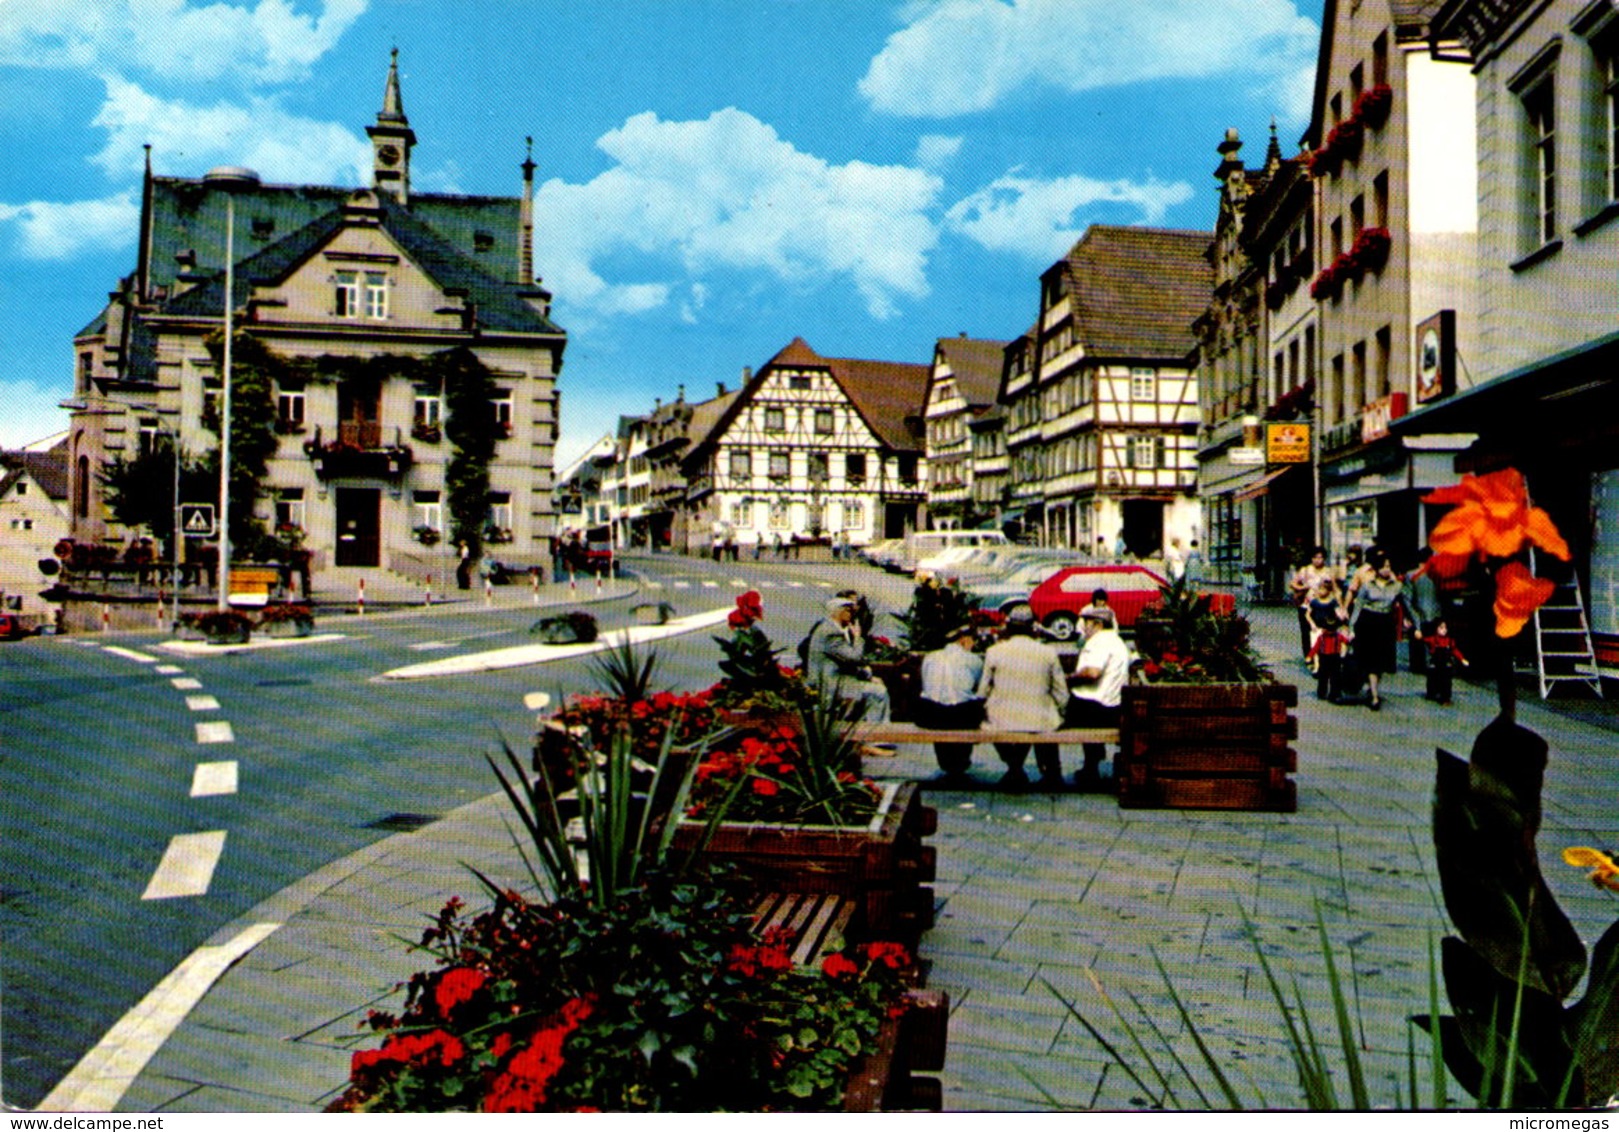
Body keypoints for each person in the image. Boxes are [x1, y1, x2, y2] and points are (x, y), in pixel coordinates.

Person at [979, 603, 1071, 792]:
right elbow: (1061, 692)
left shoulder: (994, 652)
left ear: (1010, 627)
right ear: (1033, 627)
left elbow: (983, 691)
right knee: (1046, 719)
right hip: (1039, 717)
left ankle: (1014, 768)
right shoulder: (1048, 652)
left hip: (1002, 718)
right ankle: (1050, 772)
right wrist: (1062, 712)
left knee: (995, 722)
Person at [1065, 605, 1132, 790]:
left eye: (1086, 622)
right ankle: (1090, 767)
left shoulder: (1099, 641)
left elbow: (1093, 672)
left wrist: (1069, 679)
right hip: (1111, 707)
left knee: (1053, 710)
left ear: (1098, 624)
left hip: (1095, 709)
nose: (1083, 627)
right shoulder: (1117, 641)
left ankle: (1084, 769)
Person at [915, 622, 984, 786]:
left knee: (939, 705)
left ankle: (948, 764)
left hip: (931, 715)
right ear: (964, 640)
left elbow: (926, 685)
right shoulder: (973, 659)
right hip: (960, 716)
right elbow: (979, 686)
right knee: (969, 704)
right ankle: (959, 764)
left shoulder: (930, 657)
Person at [805, 595, 890, 725]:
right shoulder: (830, 634)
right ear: (838, 611)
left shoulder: (832, 629)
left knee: (878, 684)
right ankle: (875, 735)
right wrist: (857, 638)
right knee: (878, 692)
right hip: (829, 684)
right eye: (849, 611)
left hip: (837, 679)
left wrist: (866, 675)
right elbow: (854, 658)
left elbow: (846, 663)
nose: (852, 615)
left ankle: (873, 728)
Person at [1348, 548, 1407, 711]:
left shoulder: (1397, 586)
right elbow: (1358, 606)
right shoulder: (1367, 585)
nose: (1386, 570)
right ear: (1376, 569)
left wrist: (1414, 624)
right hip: (1368, 622)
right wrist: (1351, 627)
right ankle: (1374, 696)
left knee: (1381, 662)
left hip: (1386, 623)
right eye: (1383, 567)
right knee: (1371, 660)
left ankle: (1371, 686)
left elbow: (1406, 605)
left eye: (1389, 566)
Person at [1290, 546, 1334, 659]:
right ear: (1311, 558)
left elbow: (1335, 589)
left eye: (1320, 557)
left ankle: (1321, 655)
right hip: (1306, 605)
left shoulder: (1328, 572)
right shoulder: (1305, 570)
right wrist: (1302, 588)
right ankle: (1308, 656)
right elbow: (1293, 583)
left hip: (1323, 606)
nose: (1318, 560)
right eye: (1315, 557)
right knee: (1306, 632)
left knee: (1323, 631)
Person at [1406, 548, 1443, 675]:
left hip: (1417, 613)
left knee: (1417, 642)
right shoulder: (1438, 574)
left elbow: (1407, 598)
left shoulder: (1411, 575)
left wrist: (1409, 615)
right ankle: (1433, 664)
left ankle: (1417, 666)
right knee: (1434, 641)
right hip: (1436, 612)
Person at [1306, 603, 1350, 702]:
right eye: (1328, 628)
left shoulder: (1338, 636)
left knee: (1336, 677)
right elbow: (1315, 647)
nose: (1329, 631)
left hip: (1335, 657)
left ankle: (1334, 694)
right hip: (1324, 657)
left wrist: (1351, 639)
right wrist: (1310, 656)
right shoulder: (1321, 637)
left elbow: (1347, 641)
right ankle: (1322, 692)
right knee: (1323, 676)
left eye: (1332, 629)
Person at [1423, 619, 1469, 705]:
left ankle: (1445, 698)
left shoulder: (1450, 641)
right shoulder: (1432, 639)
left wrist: (1462, 659)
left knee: (1447, 681)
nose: (1444, 630)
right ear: (1436, 629)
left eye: (1445, 628)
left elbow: (1454, 650)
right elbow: (1423, 640)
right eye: (1441, 628)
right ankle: (1432, 693)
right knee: (1433, 679)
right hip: (1435, 664)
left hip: (1446, 664)